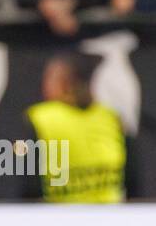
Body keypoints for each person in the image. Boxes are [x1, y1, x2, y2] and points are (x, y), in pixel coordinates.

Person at [27, 54, 126, 203]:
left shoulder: (39, 117)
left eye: (50, 78)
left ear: (65, 83)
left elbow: (26, 182)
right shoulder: (110, 117)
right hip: (111, 216)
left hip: (57, 218)